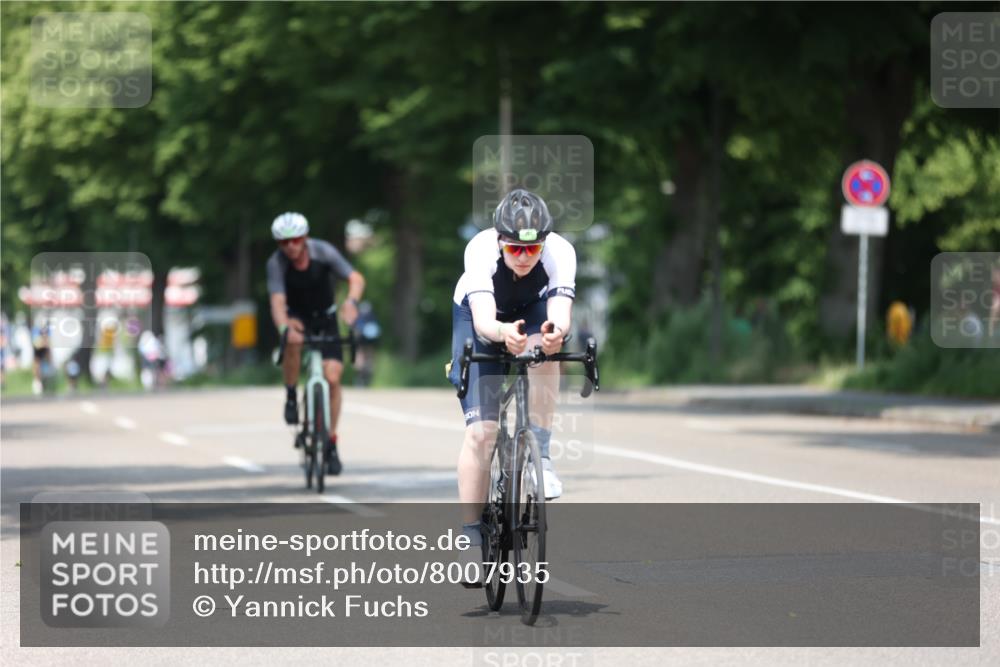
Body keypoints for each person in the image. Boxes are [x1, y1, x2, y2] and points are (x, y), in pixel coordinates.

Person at [447, 189, 576, 583]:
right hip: (481, 318)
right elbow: (486, 321)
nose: (524, 257)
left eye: (532, 249)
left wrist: (554, 336)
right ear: (500, 241)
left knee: (544, 349)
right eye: (515, 249)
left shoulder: (561, 252)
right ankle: (470, 539)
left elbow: (559, 314)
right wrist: (504, 334)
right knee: (482, 434)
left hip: (531, 312)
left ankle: (541, 453)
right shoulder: (480, 250)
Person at [266, 212, 365, 475]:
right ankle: (290, 395)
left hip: (327, 316)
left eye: (295, 239)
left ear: (304, 237)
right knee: (292, 341)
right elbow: (277, 302)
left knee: (333, 377)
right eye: (283, 242)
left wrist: (351, 302)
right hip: (296, 317)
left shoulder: (323, 252)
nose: (290, 246)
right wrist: (285, 325)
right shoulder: (276, 264)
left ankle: (331, 442)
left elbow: (355, 279)